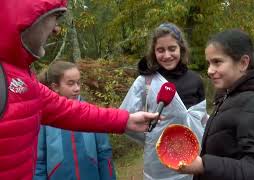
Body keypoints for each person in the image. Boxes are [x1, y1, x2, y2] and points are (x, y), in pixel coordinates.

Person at [0, 0, 160, 179]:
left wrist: (126, 120)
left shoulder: (22, 78)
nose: (56, 30)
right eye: (55, 17)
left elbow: (69, 111)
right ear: (29, 15)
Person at [169, 29, 254, 180]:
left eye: (217, 62)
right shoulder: (231, 94)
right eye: (209, 63)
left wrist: (203, 165)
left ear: (243, 63)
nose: (210, 70)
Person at [120, 22, 208, 180]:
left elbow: (201, 120)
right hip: (158, 164)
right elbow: (125, 118)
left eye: (172, 49)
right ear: (154, 52)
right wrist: (152, 138)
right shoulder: (145, 82)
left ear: (181, 48)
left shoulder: (196, 80)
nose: (167, 55)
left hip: (194, 159)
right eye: (160, 50)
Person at [34, 61, 116, 180]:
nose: (77, 88)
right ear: (55, 86)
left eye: (78, 83)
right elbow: (39, 161)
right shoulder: (44, 119)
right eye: (70, 84)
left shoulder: (91, 113)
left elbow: (104, 154)